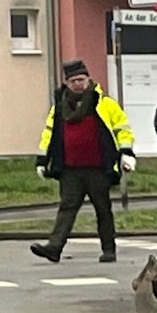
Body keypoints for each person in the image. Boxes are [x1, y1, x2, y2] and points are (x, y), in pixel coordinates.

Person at [31, 59, 136, 264]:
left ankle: (108, 249)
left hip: (98, 167)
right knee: (67, 208)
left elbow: (122, 128)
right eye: (73, 81)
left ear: (88, 79)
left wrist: (126, 152)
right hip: (70, 168)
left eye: (81, 79)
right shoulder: (60, 106)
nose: (77, 84)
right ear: (66, 83)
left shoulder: (104, 103)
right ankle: (54, 248)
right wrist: (42, 160)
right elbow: (49, 134)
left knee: (102, 209)